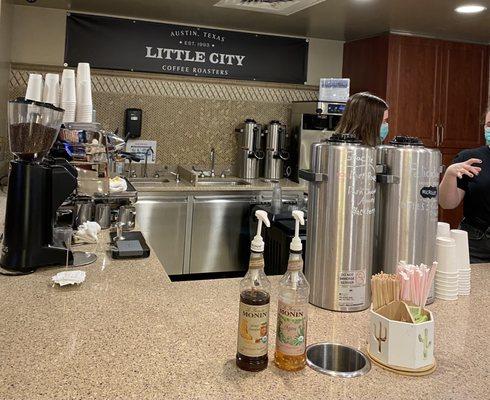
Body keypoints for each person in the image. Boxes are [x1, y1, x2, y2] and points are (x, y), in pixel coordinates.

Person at [439, 107, 490, 263]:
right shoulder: (470, 158)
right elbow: (447, 204)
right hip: (474, 243)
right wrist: (449, 174)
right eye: (489, 124)